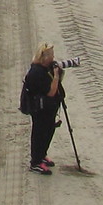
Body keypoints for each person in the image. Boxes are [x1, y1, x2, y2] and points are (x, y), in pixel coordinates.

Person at [19, 44, 65, 173]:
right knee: (39, 133)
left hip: (48, 108)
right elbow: (51, 92)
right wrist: (56, 76)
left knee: (49, 130)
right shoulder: (36, 73)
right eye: (50, 55)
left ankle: (42, 155)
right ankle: (35, 162)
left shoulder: (45, 68)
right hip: (39, 109)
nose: (53, 58)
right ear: (44, 57)